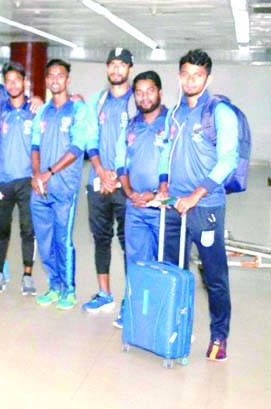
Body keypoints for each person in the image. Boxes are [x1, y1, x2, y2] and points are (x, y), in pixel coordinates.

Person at [159, 49, 238, 362]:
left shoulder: (220, 112)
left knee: (214, 276)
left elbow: (228, 160)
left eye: (198, 75)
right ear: (179, 77)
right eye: (186, 74)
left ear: (209, 78)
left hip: (206, 208)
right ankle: (177, 326)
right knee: (175, 270)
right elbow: (166, 150)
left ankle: (219, 335)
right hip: (175, 205)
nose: (191, 80)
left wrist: (197, 194)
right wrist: (164, 183)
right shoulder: (174, 113)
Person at [30, 59, 94, 310]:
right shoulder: (43, 112)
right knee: (44, 240)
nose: (55, 80)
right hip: (41, 189)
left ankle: (69, 289)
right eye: (51, 76)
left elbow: (77, 148)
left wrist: (49, 172)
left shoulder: (78, 109)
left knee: (62, 240)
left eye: (60, 75)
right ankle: (54, 286)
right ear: (46, 81)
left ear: (67, 80)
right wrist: (37, 175)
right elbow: (34, 146)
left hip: (64, 189)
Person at [112, 70, 168, 328]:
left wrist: (155, 195)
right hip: (134, 207)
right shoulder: (131, 126)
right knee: (135, 261)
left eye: (150, 91)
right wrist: (129, 192)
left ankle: (162, 314)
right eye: (139, 92)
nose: (144, 97)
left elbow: (176, 165)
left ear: (159, 92)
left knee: (164, 264)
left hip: (164, 209)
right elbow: (121, 164)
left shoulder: (171, 123)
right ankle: (133, 307)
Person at [81, 48, 134, 313]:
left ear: (130, 69)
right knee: (101, 238)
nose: (116, 69)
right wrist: (101, 172)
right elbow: (91, 139)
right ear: (107, 69)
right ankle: (104, 293)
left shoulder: (139, 99)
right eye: (112, 64)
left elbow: (142, 142)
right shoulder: (98, 100)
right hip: (98, 182)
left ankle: (130, 299)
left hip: (126, 185)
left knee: (129, 242)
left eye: (121, 65)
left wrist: (118, 176)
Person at [0, 62, 37, 296]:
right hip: (2, 180)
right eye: (8, 81)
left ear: (24, 82)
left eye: (17, 80)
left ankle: (27, 275)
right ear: (4, 84)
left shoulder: (36, 110)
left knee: (28, 229)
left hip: (27, 180)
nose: (13, 84)